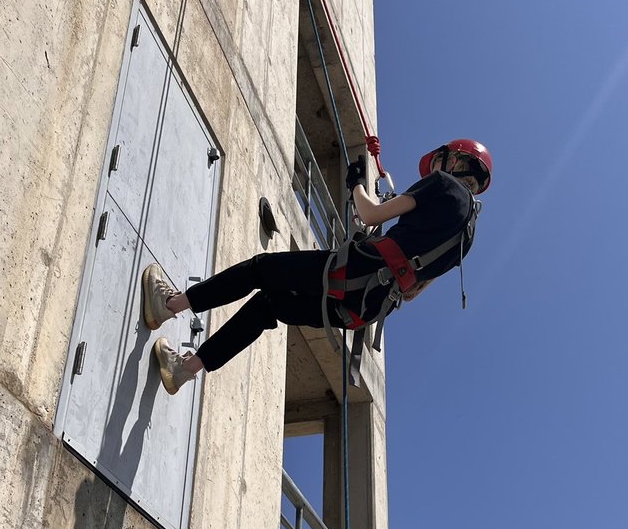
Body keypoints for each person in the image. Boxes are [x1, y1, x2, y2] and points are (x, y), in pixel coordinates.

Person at [141, 139, 492, 393]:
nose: (433, 168)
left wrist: (356, 184)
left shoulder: (444, 185)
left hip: (352, 272)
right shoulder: (468, 238)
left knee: (260, 269)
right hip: (364, 308)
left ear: (456, 162)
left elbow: (369, 213)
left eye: (439, 161)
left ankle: (170, 305)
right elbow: (412, 292)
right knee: (268, 306)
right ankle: (184, 370)